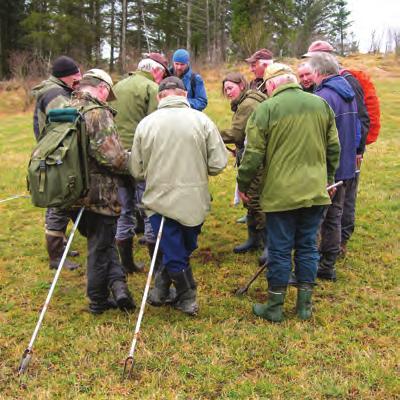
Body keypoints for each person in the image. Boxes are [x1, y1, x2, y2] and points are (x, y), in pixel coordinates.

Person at [237, 63, 340, 322]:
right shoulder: (321, 105)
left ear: (271, 85)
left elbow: (252, 155)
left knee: (280, 250)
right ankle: (304, 306)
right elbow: (333, 149)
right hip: (315, 192)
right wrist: (327, 179)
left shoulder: (266, 109)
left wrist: (243, 184)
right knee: (307, 247)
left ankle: (275, 306)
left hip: (281, 196)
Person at [130, 76, 227, 316]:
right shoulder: (203, 121)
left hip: (159, 200)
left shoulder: (145, 124)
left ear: (159, 97)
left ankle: (165, 289)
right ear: (184, 95)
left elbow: (136, 170)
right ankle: (187, 295)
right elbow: (218, 164)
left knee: (177, 250)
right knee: (178, 250)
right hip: (194, 200)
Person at [69, 68, 135, 314]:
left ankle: (118, 287)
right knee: (99, 247)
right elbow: (115, 158)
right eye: (108, 93)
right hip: (98, 195)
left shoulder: (65, 108)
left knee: (102, 243)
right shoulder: (97, 113)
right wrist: (134, 164)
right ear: (102, 88)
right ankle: (97, 299)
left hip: (69, 192)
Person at [303, 40, 371, 255]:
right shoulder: (340, 90)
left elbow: (361, 120)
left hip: (333, 166)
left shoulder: (329, 94)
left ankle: (315, 261)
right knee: (335, 214)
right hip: (343, 163)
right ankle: (328, 262)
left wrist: (358, 150)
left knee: (320, 216)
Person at [111, 53, 169, 274]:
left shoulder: (117, 86)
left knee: (124, 210)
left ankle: (127, 264)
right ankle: (156, 267)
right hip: (141, 158)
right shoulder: (151, 89)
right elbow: (157, 126)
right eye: (162, 74)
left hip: (116, 157)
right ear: (156, 71)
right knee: (148, 209)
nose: (161, 78)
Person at [308, 53, 359, 281]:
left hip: (328, 170)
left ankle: (309, 266)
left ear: (319, 73)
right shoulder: (347, 93)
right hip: (345, 167)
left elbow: (317, 139)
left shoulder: (324, 97)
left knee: (315, 220)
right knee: (334, 218)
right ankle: (328, 266)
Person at [32, 55, 82, 271]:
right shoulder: (56, 95)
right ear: (68, 76)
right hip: (57, 155)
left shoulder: (57, 89)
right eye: (77, 74)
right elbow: (66, 127)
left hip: (53, 152)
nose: (79, 78)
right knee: (58, 202)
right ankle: (56, 256)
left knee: (60, 200)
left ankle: (60, 245)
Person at [219, 72, 268, 260]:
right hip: (249, 154)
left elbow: (237, 134)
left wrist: (209, 133)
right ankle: (253, 239)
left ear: (241, 85)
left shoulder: (248, 104)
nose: (228, 93)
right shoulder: (247, 100)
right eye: (225, 90)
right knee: (250, 198)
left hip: (256, 157)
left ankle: (267, 244)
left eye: (230, 88)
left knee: (255, 199)